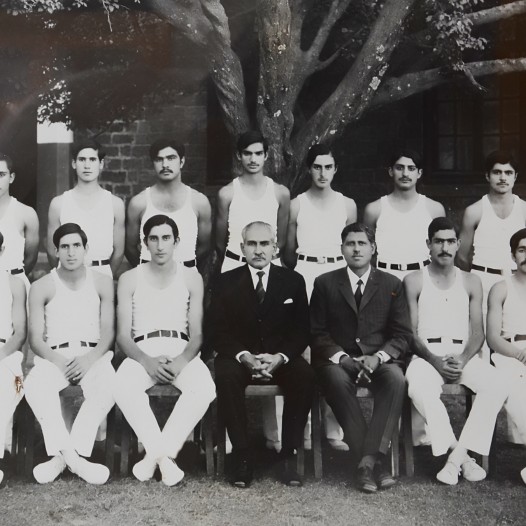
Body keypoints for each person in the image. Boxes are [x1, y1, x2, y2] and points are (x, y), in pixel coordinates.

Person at [404, 217, 512, 485]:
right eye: (438, 241)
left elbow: (477, 333)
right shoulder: (414, 280)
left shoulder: (471, 281)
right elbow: (410, 333)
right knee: (419, 388)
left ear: (458, 244)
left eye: (450, 241)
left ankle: (456, 458)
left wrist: (463, 359)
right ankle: (461, 456)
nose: (444, 247)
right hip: (426, 355)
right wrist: (434, 360)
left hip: (462, 356)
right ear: (428, 244)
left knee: (498, 383)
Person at [211, 221, 314, 488]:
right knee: (225, 374)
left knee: (304, 375)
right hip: (240, 357)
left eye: (264, 244)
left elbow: (302, 330)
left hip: (279, 358)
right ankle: (242, 456)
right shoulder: (225, 281)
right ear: (242, 247)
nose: (258, 250)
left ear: (275, 247)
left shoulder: (293, 280)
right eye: (252, 244)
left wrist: (280, 357)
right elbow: (218, 331)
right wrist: (245, 356)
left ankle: (288, 456)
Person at [114, 214, 215, 486]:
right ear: (145, 243)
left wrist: (181, 361)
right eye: (154, 239)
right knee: (122, 386)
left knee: (205, 388)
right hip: (142, 349)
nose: (160, 245)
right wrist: (146, 361)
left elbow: (197, 334)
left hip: (180, 348)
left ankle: (153, 458)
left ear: (176, 242)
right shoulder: (129, 278)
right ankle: (164, 460)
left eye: (166, 238)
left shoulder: (191, 277)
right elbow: (123, 335)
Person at [310, 223, 411, 493]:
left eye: (362, 243)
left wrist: (379, 357)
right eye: (350, 244)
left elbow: (402, 334)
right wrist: (343, 358)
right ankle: (375, 463)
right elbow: (317, 333)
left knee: (396, 379)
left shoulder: (391, 284)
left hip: (379, 360)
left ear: (373, 248)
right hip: (340, 361)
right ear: (342, 249)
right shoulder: (324, 283)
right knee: (334, 379)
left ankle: (365, 463)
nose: (356, 249)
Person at [24, 223, 116, 484]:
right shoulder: (42, 285)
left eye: (77, 245)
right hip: (55, 357)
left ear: (86, 249)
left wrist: (88, 359)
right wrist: (60, 362)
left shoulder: (102, 282)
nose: (71, 252)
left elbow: (108, 332)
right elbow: (35, 339)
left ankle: (63, 458)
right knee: (34, 385)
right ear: (56, 251)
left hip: (92, 356)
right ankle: (75, 460)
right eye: (64, 246)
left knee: (110, 384)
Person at [284, 143, 357, 451]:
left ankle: (333, 431)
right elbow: (288, 250)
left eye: (328, 167)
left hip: (338, 274)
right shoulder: (297, 204)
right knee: (303, 349)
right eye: (317, 167)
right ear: (309, 169)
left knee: (335, 347)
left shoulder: (347, 205)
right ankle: (301, 432)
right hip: (306, 272)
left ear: (335, 169)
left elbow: (353, 245)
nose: (322, 173)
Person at [458, 151, 526, 361]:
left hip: (517, 283)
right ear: (487, 176)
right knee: (481, 348)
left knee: (512, 340)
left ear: (515, 176)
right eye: (497, 172)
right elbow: (462, 256)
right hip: (483, 281)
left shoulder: (524, 210)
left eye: (508, 172)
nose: (503, 177)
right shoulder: (475, 211)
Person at [125, 138, 211, 274]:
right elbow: (129, 247)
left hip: (186, 275)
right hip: (149, 276)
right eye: (159, 159)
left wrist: (187, 268)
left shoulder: (199, 202)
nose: (165, 164)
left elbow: (205, 246)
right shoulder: (139, 203)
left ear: (181, 162)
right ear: (153, 164)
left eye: (171, 158)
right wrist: (147, 271)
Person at [47, 139, 125, 277]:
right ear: (74, 163)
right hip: (68, 274)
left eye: (92, 160)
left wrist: (105, 277)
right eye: (82, 159)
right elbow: (52, 251)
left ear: (101, 164)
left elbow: (119, 252)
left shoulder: (115, 204)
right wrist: (65, 276)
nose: (87, 165)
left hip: (101, 271)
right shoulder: (59, 203)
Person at [364, 149, 445, 281]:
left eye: (411, 168)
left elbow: (441, 249)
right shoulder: (374, 209)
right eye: (399, 168)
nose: (405, 174)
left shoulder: (434, 209)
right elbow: (367, 251)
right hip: (385, 277)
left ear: (419, 173)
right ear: (391, 171)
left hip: (423, 277)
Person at [215, 131, 290, 272]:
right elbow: (219, 242)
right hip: (235, 264)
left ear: (266, 156)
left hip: (269, 266)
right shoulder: (226, 194)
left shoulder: (281, 193)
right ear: (239, 155)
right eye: (247, 153)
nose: (253, 159)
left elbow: (281, 240)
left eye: (258, 153)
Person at [487, 227, 526, 484]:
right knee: (519, 394)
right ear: (513, 255)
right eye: (522, 250)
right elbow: (493, 337)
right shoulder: (501, 288)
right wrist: (520, 354)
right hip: (508, 355)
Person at [0, 230, 27, 485]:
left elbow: (19, 334)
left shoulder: (14, 284)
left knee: (13, 388)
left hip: (9, 360)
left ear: (2, 251)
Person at [0, 152, 39, 285]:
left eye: (1, 175)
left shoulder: (26, 213)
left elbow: (30, 258)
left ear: (11, 177)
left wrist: (14, 278)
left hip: (15, 282)